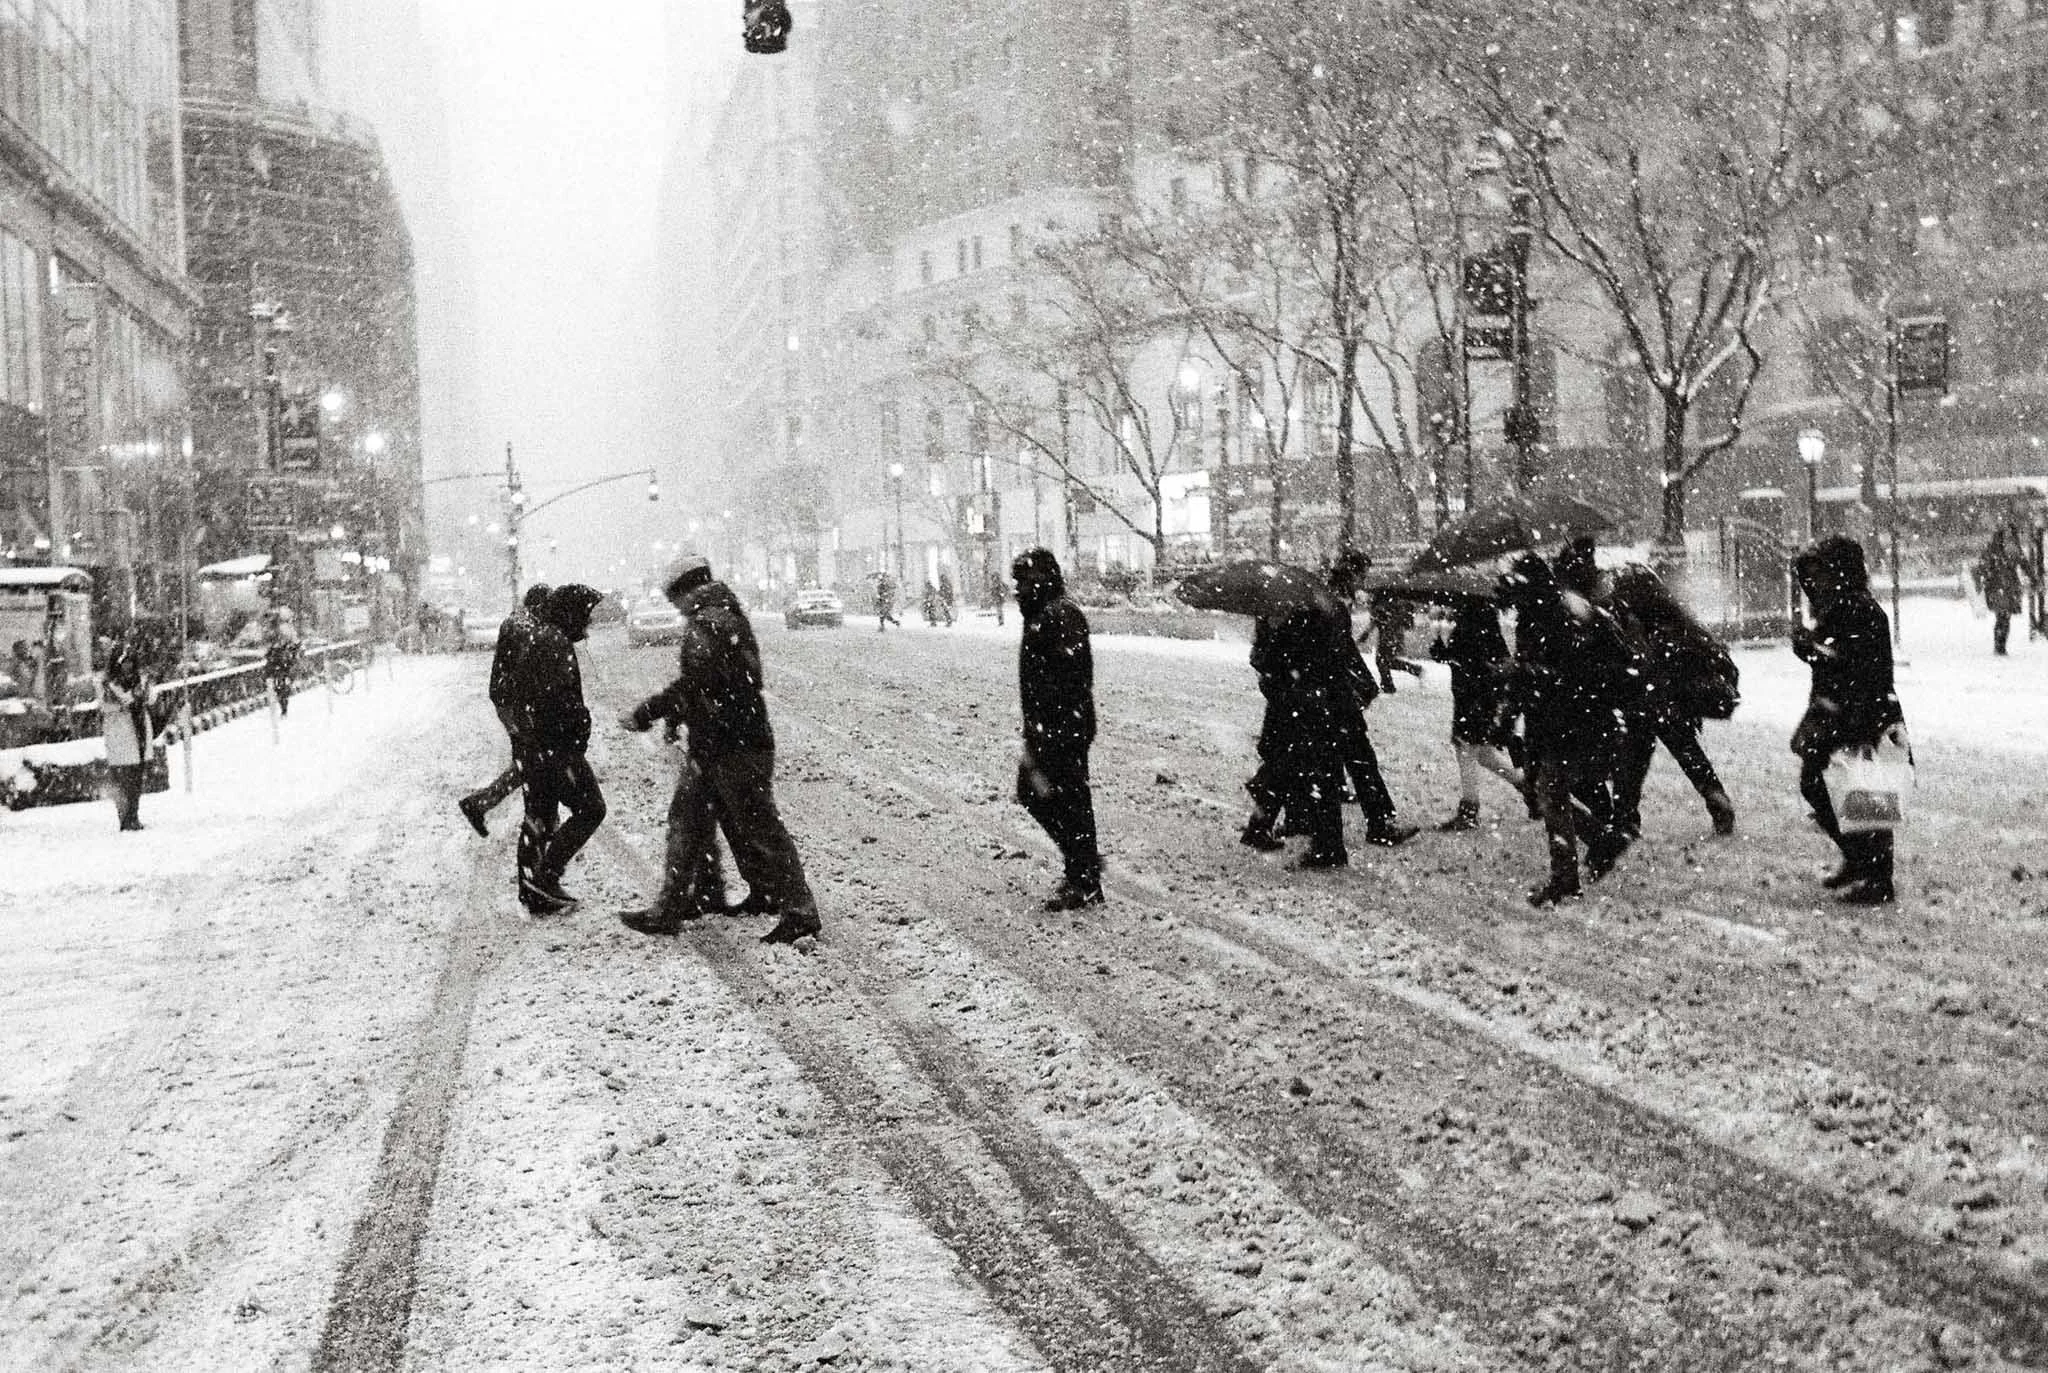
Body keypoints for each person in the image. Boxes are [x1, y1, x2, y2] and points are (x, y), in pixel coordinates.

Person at [619, 555, 822, 944]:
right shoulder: (724, 615)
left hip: (730, 745)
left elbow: (700, 686)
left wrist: (650, 712)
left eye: (674, 599)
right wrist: (681, 717)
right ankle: (690, 903)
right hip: (728, 739)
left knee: (755, 826)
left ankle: (798, 911)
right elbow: (715, 684)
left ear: (687, 591)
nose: (674, 608)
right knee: (695, 819)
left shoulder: (708, 624)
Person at [1559, 544, 1737, 839]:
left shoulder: (1607, 589)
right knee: (1679, 742)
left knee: (1633, 752)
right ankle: (1715, 797)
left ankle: (1627, 819)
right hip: (1664, 680)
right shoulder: (1637, 580)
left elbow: (1614, 637)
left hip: (1642, 683)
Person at [1498, 552, 1642, 906]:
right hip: (1576, 719)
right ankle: (1601, 841)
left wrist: (1522, 675)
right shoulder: (1564, 610)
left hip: (1568, 721)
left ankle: (1567, 877)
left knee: (1549, 792)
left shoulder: (1551, 618)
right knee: (1547, 791)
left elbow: (1565, 675)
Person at [1792, 535, 1904, 905]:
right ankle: (1860, 862)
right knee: (1829, 785)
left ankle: (1875, 876)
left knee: (1869, 797)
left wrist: (1814, 650)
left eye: (1825, 569)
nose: (1817, 578)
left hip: (1861, 712)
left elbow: (1853, 663)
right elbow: (1834, 655)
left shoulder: (1859, 610)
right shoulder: (1838, 606)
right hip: (1841, 709)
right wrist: (1813, 650)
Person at [506, 584, 608, 914]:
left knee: (539, 815)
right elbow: (556, 699)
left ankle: (535, 889)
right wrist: (578, 727)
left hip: (538, 746)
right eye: (585, 615)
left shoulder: (543, 637)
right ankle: (545, 877)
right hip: (555, 747)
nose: (588, 623)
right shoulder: (554, 642)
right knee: (591, 808)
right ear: (571, 613)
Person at [1010, 548, 1103, 907]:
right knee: (1050, 796)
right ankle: (1083, 869)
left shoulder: (1059, 614)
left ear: (1040, 580)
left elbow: (1070, 678)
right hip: (1051, 728)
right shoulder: (1043, 613)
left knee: (1058, 797)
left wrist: (1052, 727)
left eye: (1022, 581)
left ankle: (1084, 874)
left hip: (1062, 730)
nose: (1016, 589)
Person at [1325, 552, 1420, 848]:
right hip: (1336, 696)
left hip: (1327, 694)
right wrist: (1363, 682)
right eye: (1361, 576)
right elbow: (1341, 652)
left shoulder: (1329, 601)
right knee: (1361, 759)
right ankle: (1378, 823)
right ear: (1352, 576)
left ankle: (1276, 819)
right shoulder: (1335, 606)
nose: (1364, 583)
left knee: (1325, 759)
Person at [457, 583, 551, 837]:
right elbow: (525, 669)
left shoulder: (519, 623)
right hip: (514, 705)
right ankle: (534, 818)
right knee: (531, 760)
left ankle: (485, 805)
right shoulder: (523, 627)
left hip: (510, 702)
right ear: (540, 605)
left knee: (529, 760)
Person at [1428, 596, 1528, 831]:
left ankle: (1469, 810)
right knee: (1482, 754)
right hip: (1475, 694)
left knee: (1466, 748)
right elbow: (1455, 657)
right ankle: (1528, 788)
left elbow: (1466, 658)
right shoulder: (1476, 615)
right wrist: (1440, 640)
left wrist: (1446, 646)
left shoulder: (1474, 616)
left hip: (1475, 695)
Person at [99, 630, 153, 832]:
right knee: (123, 779)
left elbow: (151, 699)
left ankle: (134, 815)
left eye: (131, 662)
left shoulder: (140, 680)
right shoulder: (108, 685)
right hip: (120, 735)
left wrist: (145, 691)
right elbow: (105, 706)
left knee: (136, 778)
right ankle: (125, 818)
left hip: (137, 732)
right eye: (124, 662)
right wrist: (128, 701)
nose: (128, 666)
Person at [1973, 525, 2030, 656]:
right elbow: (1982, 568)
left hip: (2006, 587)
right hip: (1999, 587)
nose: (2009, 538)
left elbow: (2024, 564)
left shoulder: (2009, 549)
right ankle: (2000, 646)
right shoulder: (1996, 550)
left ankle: (2000, 645)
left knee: (2005, 616)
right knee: (2003, 616)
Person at [1366, 591, 1423, 694]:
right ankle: (1390, 683)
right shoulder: (1392, 604)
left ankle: (1389, 684)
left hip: (1388, 637)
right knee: (1386, 661)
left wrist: (1365, 635)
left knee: (1382, 661)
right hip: (1392, 637)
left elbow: (1375, 622)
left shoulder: (1382, 606)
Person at [262, 607, 300, 717]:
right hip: (280, 660)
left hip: (278, 660)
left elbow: (269, 646)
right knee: (280, 684)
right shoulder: (282, 629)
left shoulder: (278, 630)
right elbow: (295, 642)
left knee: (277, 683)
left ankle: (283, 706)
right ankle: (283, 704)